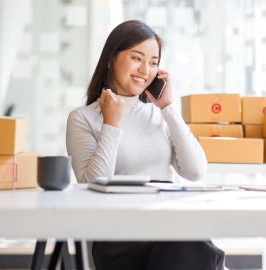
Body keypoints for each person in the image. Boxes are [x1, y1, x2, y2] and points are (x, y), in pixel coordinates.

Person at [66, 20, 225, 270]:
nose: (145, 70)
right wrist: (111, 123)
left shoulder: (159, 115)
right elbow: (91, 186)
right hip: (120, 237)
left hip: (167, 227)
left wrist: (168, 108)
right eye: (137, 58)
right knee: (188, 245)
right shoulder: (83, 118)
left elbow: (195, 171)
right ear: (110, 58)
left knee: (185, 241)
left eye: (153, 62)